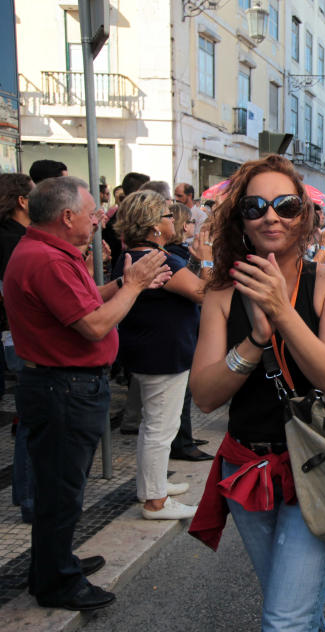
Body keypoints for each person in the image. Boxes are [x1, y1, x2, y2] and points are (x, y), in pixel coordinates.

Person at [188, 154, 325, 631]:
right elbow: (203, 396)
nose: (271, 216)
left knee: (284, 620)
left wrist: (282, 314)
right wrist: (255, 339)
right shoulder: (221, 293)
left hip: (317, 469)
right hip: (247, 474)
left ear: (304, 215)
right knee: (295, 611)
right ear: (239, 219)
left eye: (284, 205)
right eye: (255, 206)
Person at [5, 176, 169, 611]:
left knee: (62, 488)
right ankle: (57, 581)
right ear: (66, 216)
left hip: (65, 386)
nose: (99, 219)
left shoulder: (50, 252)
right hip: (63, 388)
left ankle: (54, 565)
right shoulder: (47, 259)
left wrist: (123, 285)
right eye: (91, 212)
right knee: (61, 491)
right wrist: (132, 285)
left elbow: (86, 301)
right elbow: (94, 324)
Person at [114, 191, 207, 518]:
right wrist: (207, 259)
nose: (174, 220)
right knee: (160, 428)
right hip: (163, 354)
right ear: (154, 226)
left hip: (148, 350)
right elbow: (202, 292)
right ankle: (155, 501)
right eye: (168, 215)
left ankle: (151, 487)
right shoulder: (159, 259)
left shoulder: (136, 254)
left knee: (153, 426)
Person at [164, 202, 214, 462]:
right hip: (171, 340)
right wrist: (206, 259)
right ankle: (180, 444)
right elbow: (205, 291)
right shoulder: (169, 257)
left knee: (179, 398)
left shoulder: (177, 255)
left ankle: (183, 439)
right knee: (165, 415)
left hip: (180, 335)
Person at [0, 173, 34, 523]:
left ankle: (25, 493)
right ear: (23, 201)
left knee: (29, 417)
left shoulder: (17, 239)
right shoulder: (15, 242)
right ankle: (28, 497)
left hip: (15, 336)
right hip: (20, 337)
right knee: (33, 420)